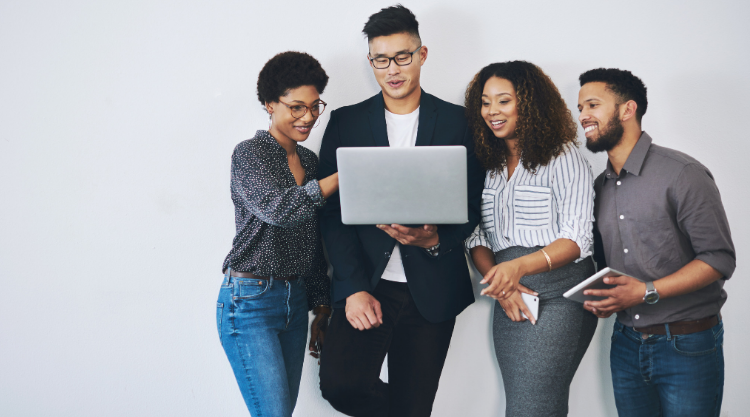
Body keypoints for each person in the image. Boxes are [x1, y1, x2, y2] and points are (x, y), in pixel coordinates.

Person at [316, 5, 484, 416]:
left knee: (416, 403)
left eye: (402, 57)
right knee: (341, 385)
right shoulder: (346, 122)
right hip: (368, 285)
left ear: (422, 55)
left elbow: (475, 202)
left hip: (433, 286)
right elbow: (331, 214)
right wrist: (352, 287)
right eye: (380, 59)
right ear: (371, 60)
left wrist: (436, 238)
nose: (392, 69)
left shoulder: (460, 122)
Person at [578, 68, 735, 417]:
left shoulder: (683, 173)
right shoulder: (599, 187)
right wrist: (608, 298)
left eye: (592, 105)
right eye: (580, 108)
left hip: (686, 345)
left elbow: (719, 258)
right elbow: (611, 266)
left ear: (627, 109)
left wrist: (646, 290)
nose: (583, 116)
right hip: (626, 342)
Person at [464, 61, 598, 417]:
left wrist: (516, 268)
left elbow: (577, 238)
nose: (492, 111)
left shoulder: (563, 155)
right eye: (486, 101)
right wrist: (502, 283)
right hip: (509, 298)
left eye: (504, 101)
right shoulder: (486, 163)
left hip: (560, 297)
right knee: (522, 407)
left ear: (528, 103)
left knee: (534, 408)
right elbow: (476, 235)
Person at [216, 51, 339, 417]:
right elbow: (280, 209)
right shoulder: (250, 154)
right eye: (296, 107)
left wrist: (321, 305)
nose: (308, 117)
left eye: (315, 107)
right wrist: (346, 174)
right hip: (250, 301)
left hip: (295, 301)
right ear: (270, 105)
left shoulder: (312, 163)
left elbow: (311, 240)